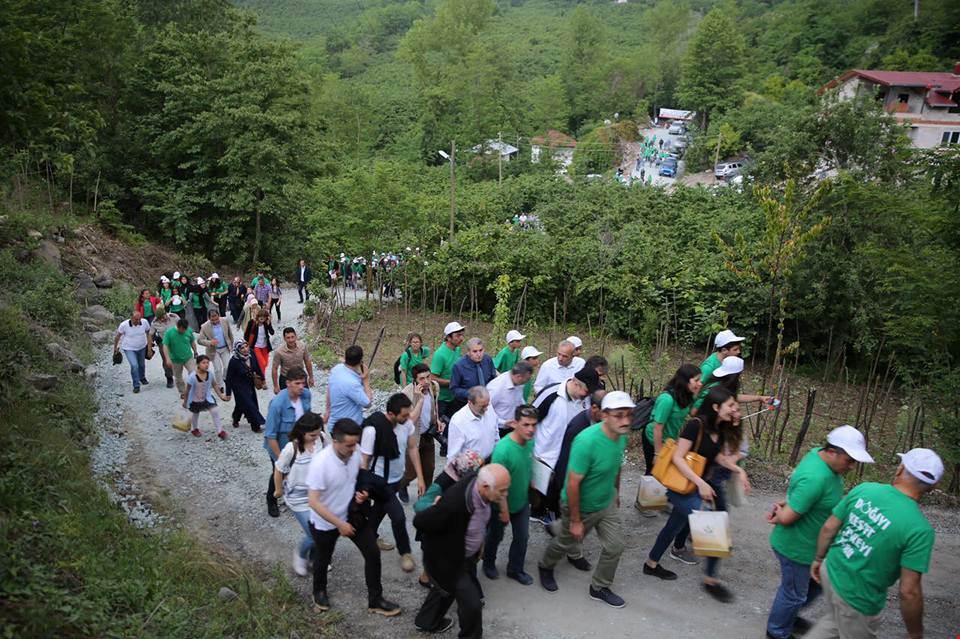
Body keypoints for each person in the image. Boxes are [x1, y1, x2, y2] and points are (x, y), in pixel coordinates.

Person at [805, 448, 942, 639]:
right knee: (844, 620)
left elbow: (829, 527)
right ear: (933, 486)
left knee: (836, 621)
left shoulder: (866, 488)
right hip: (858, 598)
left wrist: (819, 559)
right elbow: (908, 591)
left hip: (831, 571)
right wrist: (915, 632)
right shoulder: (919, 529)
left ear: (901, 468)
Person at [643, 386, 751, 603]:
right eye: (730, 405)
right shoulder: (696, 425)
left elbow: (718, 457)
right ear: (715, 406)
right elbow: (678, 458)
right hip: (681, 486)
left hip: (694, 484)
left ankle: (651, 564)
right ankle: (711, 580)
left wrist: (739, 470)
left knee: (674, 525)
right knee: (713, 526)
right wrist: (700, 483)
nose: (734, 409)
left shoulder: (719, 428)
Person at [765, 426, 874, 639]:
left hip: (811, 547)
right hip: (796, 548)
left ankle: (789, 616)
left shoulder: (817, 454)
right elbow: (787, 517)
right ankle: (776, 631)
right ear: (832, 451)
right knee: (794, 594)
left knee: (815, 585)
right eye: (849, 460)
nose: (852, 466)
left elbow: (801, 492)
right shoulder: (816, 477)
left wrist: (791, 502)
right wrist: (780, 514)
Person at [538, 391, 634, 609]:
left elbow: (616, 466)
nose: (626, 421)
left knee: (615, 546)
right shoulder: (586, 441)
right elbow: (572, 483)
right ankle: (545, 565)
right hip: (581, 505)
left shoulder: (622, 435)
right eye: (619, 415)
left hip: (606, 501)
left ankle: (599, 587)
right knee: (565, 541)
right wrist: (575, 520)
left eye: (628, 415)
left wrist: (616, 493)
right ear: (604, 415)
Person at [306, 418, 401, 617]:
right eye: (349, 445)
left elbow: (359, 477)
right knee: (323, 558)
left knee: (373, 554)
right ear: (336, 441)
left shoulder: (354, 452)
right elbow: (313, 502)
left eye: (355, 444)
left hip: (351, 515)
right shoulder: (320, 463)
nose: (354, 448)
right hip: (326, 521)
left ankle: (375, 600)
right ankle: (319, 591)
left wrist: (363, 491)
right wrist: (339, 524)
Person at [414, 464, 511, 637]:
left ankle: (426, 621)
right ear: (485, 487)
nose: (505, 495)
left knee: (445, 589)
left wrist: (478, 544)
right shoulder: (454, 504)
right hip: (448, 561)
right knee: (472, 604)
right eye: (502, 491)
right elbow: (420, 521)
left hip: (464, 555)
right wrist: (436, 509)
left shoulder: (478, 480)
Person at [360, 393, 423, 569]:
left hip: (396, 479)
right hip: (379, 482)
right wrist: (363, 486)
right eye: (404, 415)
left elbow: (412, 448)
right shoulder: (373, 430)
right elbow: (364, 460)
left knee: (379, 510)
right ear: (391, 413)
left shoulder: (407, 425)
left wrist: (420, 478)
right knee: (398, 516)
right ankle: (405, 554)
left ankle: (369, 537)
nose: (408, 417)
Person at [530, 368, 599, 525]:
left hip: (566, 452)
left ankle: (552, 513)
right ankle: (538, 512)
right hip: (545, 451)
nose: (587, 395)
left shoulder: (586, 401)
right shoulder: (552, 394)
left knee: (558, 486)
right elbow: (530, 417)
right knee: (541, 488)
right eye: (586, 391)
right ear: (575, 383)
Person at [483, 405, 538, 584]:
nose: (530, 429)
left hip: (521, 501)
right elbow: (496, 486)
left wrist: (532, 484)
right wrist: (503, 510)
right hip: (501, 502)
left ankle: (515, 569)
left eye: (533, 425)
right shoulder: (503, 450)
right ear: (515, 424)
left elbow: (528, 464)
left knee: (522, 537)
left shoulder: (530, 441)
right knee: (495, 535)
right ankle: (488, 563)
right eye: (526, 424)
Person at [273, 412, 328, 577]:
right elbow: (278, 470)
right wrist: (278, 490)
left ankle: (315, 559)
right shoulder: (292, 448)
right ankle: (300, 555)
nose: (315, 437)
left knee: (322, 530)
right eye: (312, 435)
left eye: (317, 433)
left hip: (319, 495)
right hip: (298, 499)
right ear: (302, 432)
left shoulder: (323, 439)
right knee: (314, 534)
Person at [264, 367, 312, 517]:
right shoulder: (277, 404)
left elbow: (308, 419)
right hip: (279, 446)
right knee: (278, 472)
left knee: (296, 471)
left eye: (303, 383)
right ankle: (271, 500)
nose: (301, 387)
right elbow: (270, 436)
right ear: (288, 383)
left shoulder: (306, 395)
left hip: (298, 445)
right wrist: (280, 459)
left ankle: (292, 496)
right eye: (297, 383)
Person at [642, 364, 703, 474]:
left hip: (670, 440)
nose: (700, 383)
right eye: (697, 380)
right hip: (654, 439)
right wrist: (658, 453)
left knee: (666, 473)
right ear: (685, 381)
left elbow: (691, 414)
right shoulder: (667, 400)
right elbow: (657, 428)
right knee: (654, 472)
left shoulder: (686, 395)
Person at [399, 363, 440, 503]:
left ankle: (424, 498)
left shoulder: (434, 387)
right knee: (410, 472)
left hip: (428, 435)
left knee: (429, 469)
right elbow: (410, 420)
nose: (427, 381)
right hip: (412, 438)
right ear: (415, 380)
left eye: (428, 377)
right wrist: (419, 399)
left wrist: (437, 420)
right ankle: (402, 485)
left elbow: (435, 406)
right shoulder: (407, 393)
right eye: (422, 379)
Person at [183, 354, 231, 439]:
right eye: (203, 363)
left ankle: (220, 431)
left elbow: (215, 385)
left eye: (208, 363)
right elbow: (187, 390)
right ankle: (195, 429)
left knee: (215, 411)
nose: (206, 365)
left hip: (207, 398)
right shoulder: (192, 377)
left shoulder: (210, 374)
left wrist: (221, 396)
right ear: (197, 364)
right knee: (195, 414)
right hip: (195, 399)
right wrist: (185, 402)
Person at [446, 386, 499, 461]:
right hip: (472, 468)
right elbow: (453, 454)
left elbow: (495, 433)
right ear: (470, 402)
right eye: (482, 406)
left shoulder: (488, 408)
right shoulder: (458, 421)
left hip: (491, 460)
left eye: (487, 404)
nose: (486, 409)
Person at [326, 345, 373, 428]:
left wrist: (327, 411)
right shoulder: (352, 384)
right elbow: (367, 404)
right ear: (361, 361)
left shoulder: (336, 369)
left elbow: (329, 391)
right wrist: (366, 380)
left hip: (333, 422)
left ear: (345, 357)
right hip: (348, 428)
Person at [225, 338, 266, 432]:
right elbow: (229, 378)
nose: (245, 349)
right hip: (238, 386)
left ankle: (236, 417)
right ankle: (257, 425)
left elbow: (257, 367)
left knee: (242, 404)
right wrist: (228, 393)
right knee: (249, 404)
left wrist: (263, 380)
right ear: (237, 349)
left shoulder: (251, 354)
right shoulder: (234, 361)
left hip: (249, 382)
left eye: (246, 346)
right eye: (242, 348)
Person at [485, 361, 533, 438]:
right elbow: (485, 411)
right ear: (518, 376)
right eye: (527, 379)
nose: (527, 382)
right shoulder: (496, 388)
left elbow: (519, 399)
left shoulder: (519, 383)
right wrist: (504, 422)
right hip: (496, 430)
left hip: (512, 427)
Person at [430, 321, 465, 418]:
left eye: (462, 335)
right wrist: (451, 382)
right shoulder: (440, 355)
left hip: (454, 395)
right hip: (442, 398)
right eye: (457, 336)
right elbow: (432, 378)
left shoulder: (457, 349)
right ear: (449, 337)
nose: (461, 338)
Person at [450, 338, 497, 408]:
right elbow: (454, 389)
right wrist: (471, 394)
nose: (479, 354)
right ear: (468, 352)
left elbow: (493, 378)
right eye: (475, 351)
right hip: (466, 405)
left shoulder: (487, 360)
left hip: (487, 403)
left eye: (481, 350)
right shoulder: (459, 366)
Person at [114, 309, 152, 394]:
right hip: (129, 348)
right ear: (131, 318)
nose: (138, 321)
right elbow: (117, 337)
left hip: (142, 347)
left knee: (141, 364)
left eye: (139, 319)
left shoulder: (144, 322)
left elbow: (148, 334)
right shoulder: (124, 325)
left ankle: (142, 377)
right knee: (134, 365)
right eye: (136, 319)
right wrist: (115, 348)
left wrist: (149, 349)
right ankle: (136, 385)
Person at [197, 309, 234, 390]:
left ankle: (224, 377)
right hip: (214, 351)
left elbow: (230, 334)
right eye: (212, 320)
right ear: (209, 318)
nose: (215, 321)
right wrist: (210, 342)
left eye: (216, 319)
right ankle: (220, 385)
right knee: (217, 369)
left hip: (225, 348)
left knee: (227, 366)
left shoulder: (224, 321)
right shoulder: (204, 326)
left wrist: (231, 345)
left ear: (219, 316)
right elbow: (199, 340)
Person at [271, 326, 314, 394]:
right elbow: (274, 368)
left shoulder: (302, 346)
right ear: (284, 338)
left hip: (301, 377)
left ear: (296, 336)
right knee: (287, 402)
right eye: (288, 338)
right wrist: (276, 386)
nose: (291, 340)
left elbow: (307, 361)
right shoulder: (279, 352)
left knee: (304, 398)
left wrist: (311, 377)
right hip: (286, 379)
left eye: (292, 337)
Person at [162, 318, 197, 395]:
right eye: (182, 329)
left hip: (188, 357)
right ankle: (183, 392)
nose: (184, 331)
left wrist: (195, 352)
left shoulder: (189, 330)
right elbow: (165, 346)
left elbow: (192, 342)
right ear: (178, 326)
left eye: (185, 329)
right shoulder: (169, 333)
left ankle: (193, 390)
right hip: (175, 359)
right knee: (178, 378)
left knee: (193, 373)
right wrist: (167, 359)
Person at [149, 307, 176, 388]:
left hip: (176, 342)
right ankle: (169, 377)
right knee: (165, 359)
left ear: (165, 314)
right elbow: (150, 334)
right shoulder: (154, 323)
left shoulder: (174, 317)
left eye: (163, 317)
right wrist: (149, 347)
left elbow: (183, 326)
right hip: (164, 343)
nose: (162, 319)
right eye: (159, 318)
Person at [244, 308, 274, 375]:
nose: (262, 318)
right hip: (256, 347)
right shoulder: (252, 323)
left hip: (265, 346)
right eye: (260, 316)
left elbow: (272, 332)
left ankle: (260, 376)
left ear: (266, 317)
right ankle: (262, 379)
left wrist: (269, 324)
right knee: (262, 363)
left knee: (265, 364)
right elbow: (246, 334)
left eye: (264, 317)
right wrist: (248, 343)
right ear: (258, 316)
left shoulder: (266, 323)